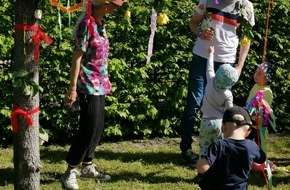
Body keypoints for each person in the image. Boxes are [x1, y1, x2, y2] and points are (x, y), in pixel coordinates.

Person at [62, 0, 127, 189]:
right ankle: (70, 171)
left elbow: (101, 56)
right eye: (114, 5)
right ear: (103, 5)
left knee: (98, 127)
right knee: (88, 128)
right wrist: (72, 88)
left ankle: (87, 165)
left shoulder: (101, 24)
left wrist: (107, 77)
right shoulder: (87, 25)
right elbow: (77, 57)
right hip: (87, 84)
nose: (115, 9)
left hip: (100, 83)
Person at [180, 0, 255, 165]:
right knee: (194, 103)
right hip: (201, 57)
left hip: (226, 64)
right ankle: (186, 149)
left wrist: (240, 66)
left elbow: (246, 39)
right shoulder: (208, 0)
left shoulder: (246, 6)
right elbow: (193, 22)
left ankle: (221, 150)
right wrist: (200, 32)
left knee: (223, 109)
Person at [195, 106, 266, 190]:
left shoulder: (218, 145)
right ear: (248, 132)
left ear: (223, 127)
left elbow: (201, 168)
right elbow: (262, 158)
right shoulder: (252, 146)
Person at [198, 46, 239, 158]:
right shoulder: (228, 94)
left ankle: (202, 172)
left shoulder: (211, 80)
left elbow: (209, 68)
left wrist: (211, 53)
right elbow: (229, 111)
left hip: (205, 121)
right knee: (219, 148)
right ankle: (218, 170)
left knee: (204, 148)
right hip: (219, 124)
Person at [245, 62, 276, 173]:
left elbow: (265, 108)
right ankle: (248, 162)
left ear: (267, 78)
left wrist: (257, 113)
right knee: (247, 141)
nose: (256, 75)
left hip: (259, 124)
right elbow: (250, 101)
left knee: (259, 144)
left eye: (260, 74)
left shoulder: (267, 91)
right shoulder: (255, 86)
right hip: (250, 122)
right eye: (256, 72)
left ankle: (259, 163)